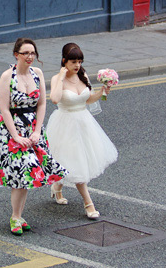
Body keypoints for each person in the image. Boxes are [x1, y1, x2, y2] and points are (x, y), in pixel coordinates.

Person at [0, 38, 68, 236]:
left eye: (33, 53)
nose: (30, 57)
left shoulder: (37, 73)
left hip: (32, 129)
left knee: (28, 174)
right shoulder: (7, 76)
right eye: (26, 53)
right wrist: (15, 136)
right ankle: (15, 217)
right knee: (21, 175)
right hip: (12, 131)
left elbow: (41, 104)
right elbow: (4, 109)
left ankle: (19, 216)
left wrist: (37, 131)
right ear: (16, 55)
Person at [45, 43, 117, 219]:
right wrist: (61, 77)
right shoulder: (57, 79)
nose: (77, 65)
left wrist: (102, 92)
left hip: (84, 122)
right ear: (64, 61)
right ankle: (88, 204)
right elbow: (54, 99)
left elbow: (88, 99)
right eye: (73, 62)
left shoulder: (82, 75)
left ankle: (57, 187)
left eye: (79, 61)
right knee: (75, 163)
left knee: (75, 161)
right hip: (65, 124)